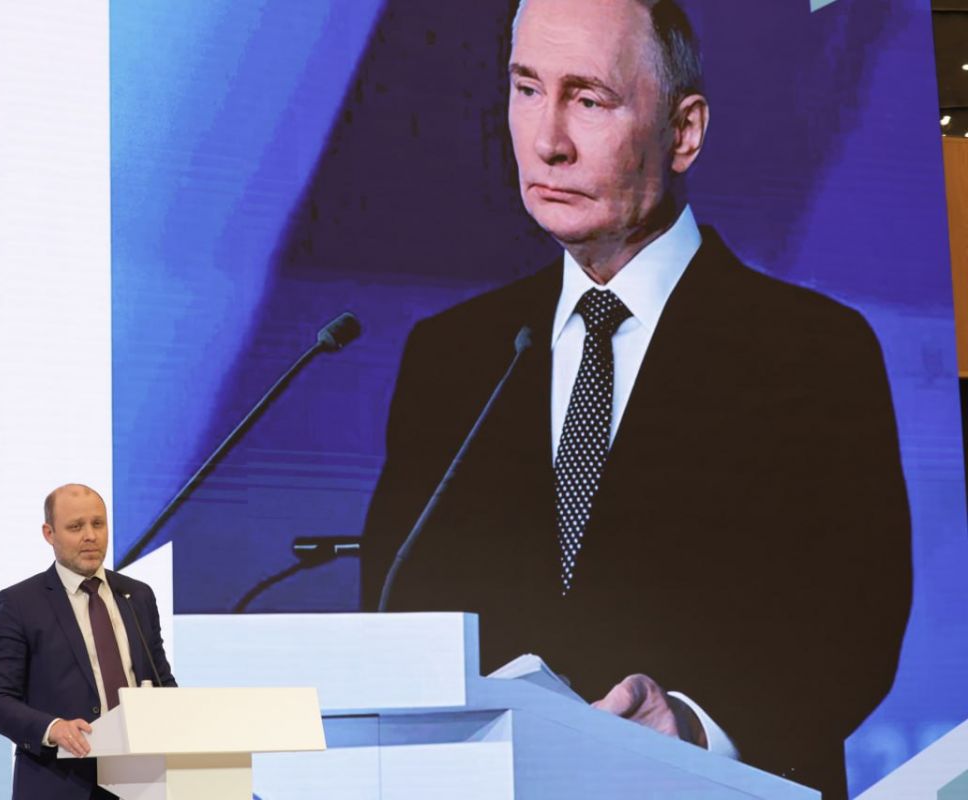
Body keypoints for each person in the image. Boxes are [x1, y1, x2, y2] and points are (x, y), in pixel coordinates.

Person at [358, 1, 912, 797]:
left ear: (684, 132)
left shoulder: (814, 351)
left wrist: (693, 729)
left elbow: (854, 627)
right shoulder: (451, 357)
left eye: (588, 99)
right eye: (526, 89)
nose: (547, 140)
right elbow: (400, 618)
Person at [0, 484, 176, 800]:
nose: (90, 536)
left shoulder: (136, 596)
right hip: (61, 782)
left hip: (142, 783)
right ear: (49, 533)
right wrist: (52, 728)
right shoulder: (19, 603)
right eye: (75, 527)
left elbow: (162, 682)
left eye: (98, 524)